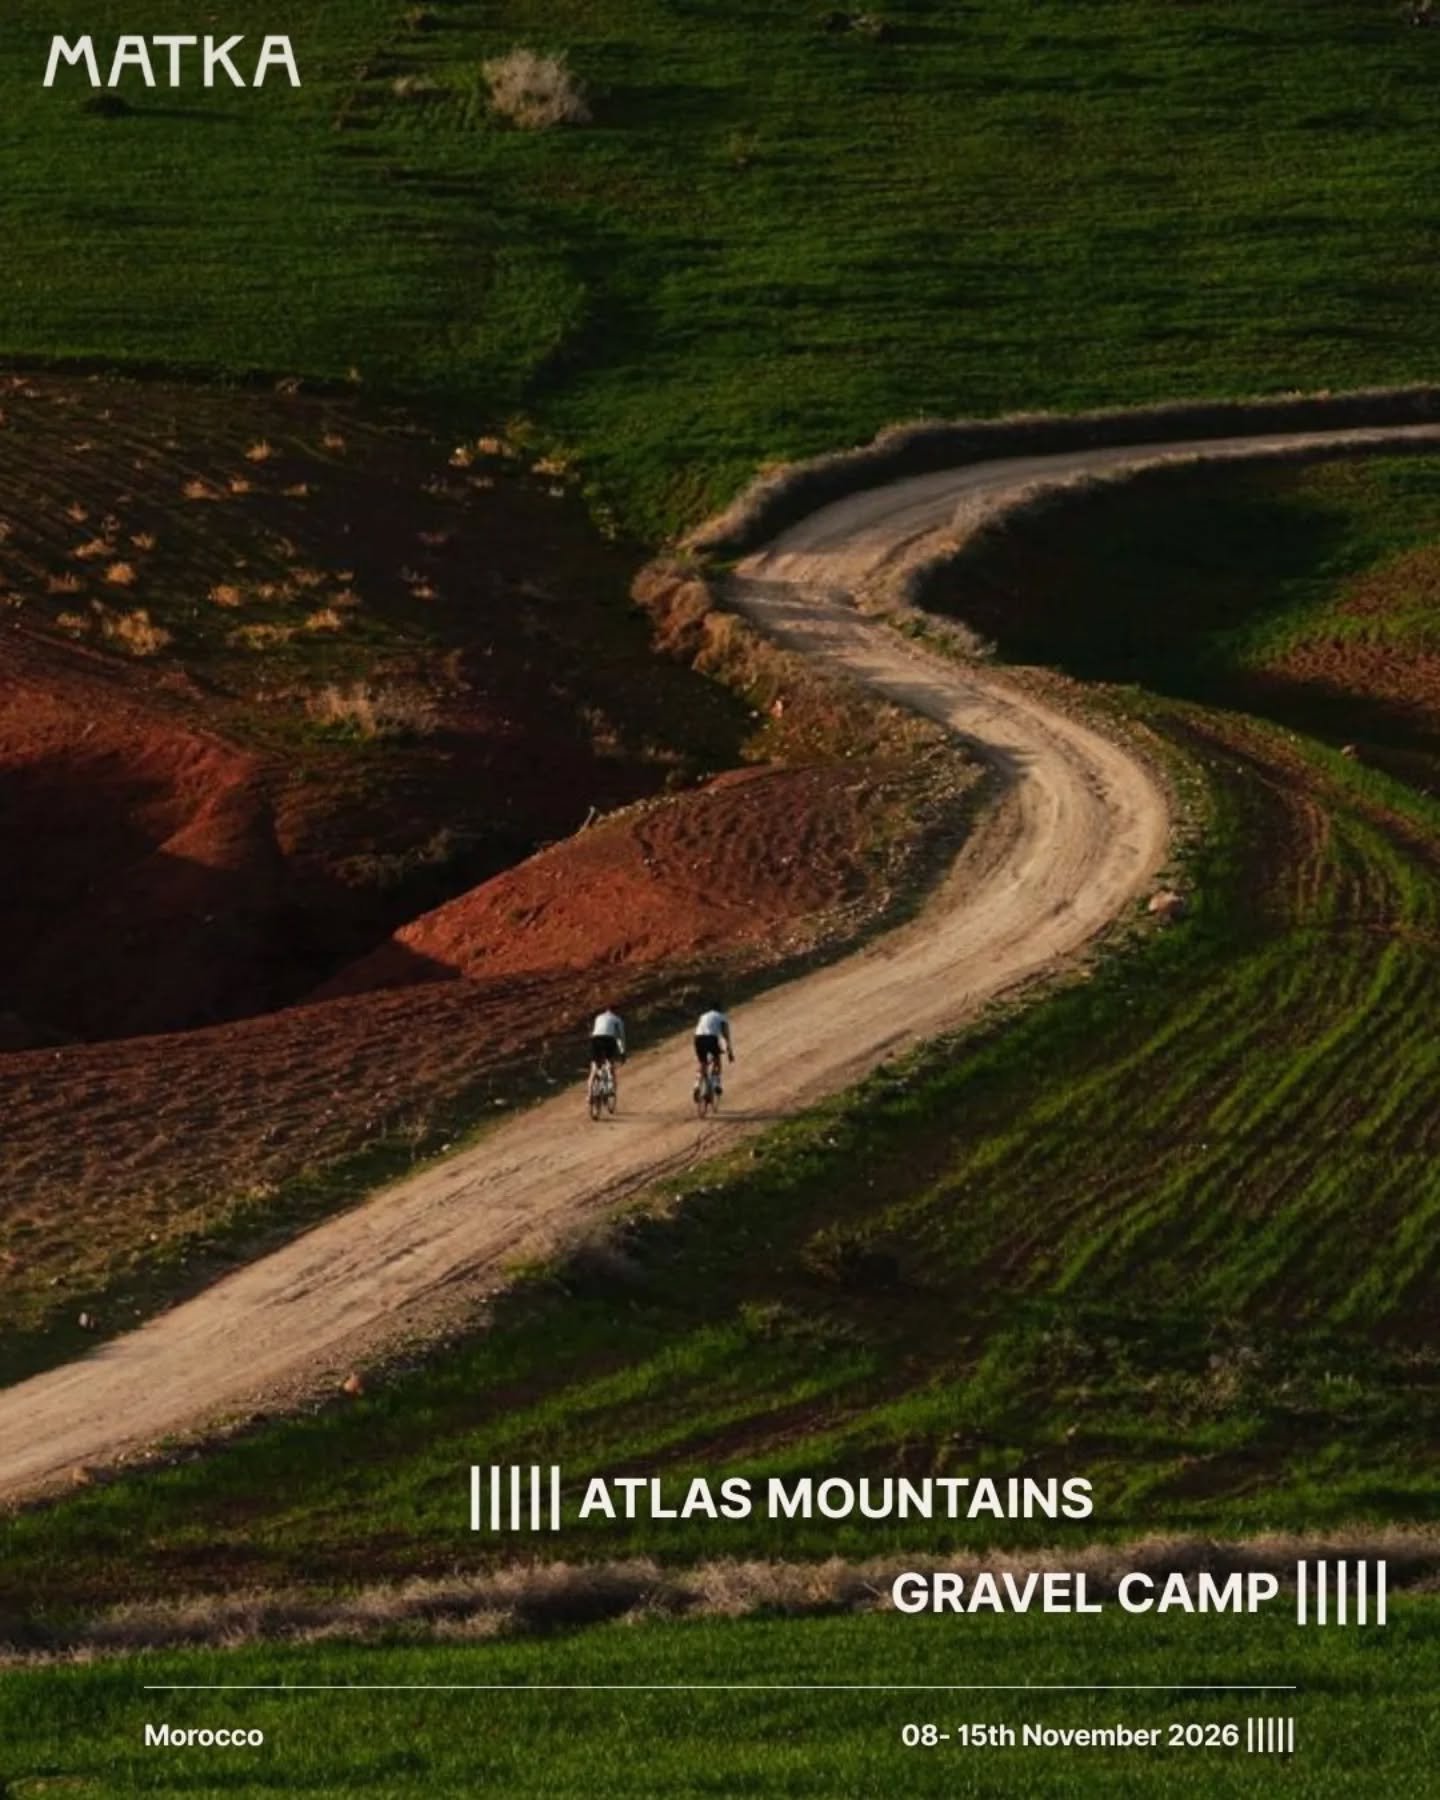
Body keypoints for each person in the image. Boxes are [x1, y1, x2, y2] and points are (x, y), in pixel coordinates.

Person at [693, 1007, 735, 1096]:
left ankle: (697, 1084)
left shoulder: (703, 1016)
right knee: (717, 1061)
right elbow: (726, 1035)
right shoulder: (722, 1016)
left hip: (697, 1038)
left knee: (702, 1062)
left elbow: (699, 1028)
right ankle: (716, 1083)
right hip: (711, 1038)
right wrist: (729, 1052)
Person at [589, 1007, 627, 1093]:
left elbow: (596, 1031)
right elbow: (621, 1038)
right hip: (608, 1039)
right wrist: (622, 1053)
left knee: (594, 1068)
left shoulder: (598, 1017)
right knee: (609, 1062)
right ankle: (609, 1086)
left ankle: (589, 1095)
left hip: (595, 1040)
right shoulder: (617, 1019)